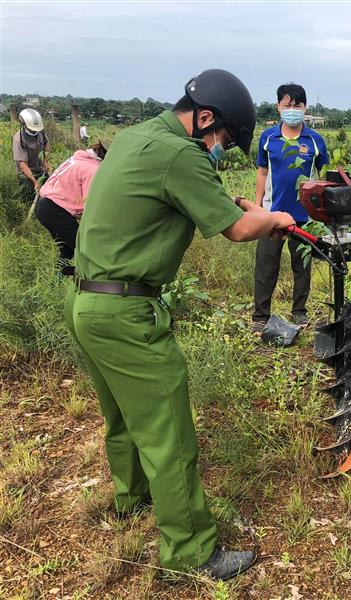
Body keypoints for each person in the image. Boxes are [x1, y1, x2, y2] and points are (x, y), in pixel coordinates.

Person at [65, 69, 295, 580]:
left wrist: (236, 202)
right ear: (206, 119)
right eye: (223, 140)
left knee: (124, 414)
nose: (220, 148)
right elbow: (237, 229)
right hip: (127, 313)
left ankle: (133, 498)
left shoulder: (136, 136)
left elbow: (190, 197)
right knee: (168, 431)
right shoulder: (183, 154)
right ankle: (191, 551)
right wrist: (275, 219)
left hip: (86, 302)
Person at [252, 83, 328, 331]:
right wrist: (257, 207)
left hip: (304, 216)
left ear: (305, 108)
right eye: (288, 105)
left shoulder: (315, 141)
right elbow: (262, 173)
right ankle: (261, 316)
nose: (292, 109)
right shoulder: (268, 138)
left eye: (297, 105)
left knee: (302, 266)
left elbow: (324, 175)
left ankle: (299, 312)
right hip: (272, 214)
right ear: (278, 107)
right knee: (266, 265)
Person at [34, 142, 107, 276]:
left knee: (67, 250)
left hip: (44, 206)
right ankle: (91, 283)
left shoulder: (77, 159)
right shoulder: (93, 169)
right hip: (56, 211)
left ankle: (57, 280)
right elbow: (89, 205)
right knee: (85, 250)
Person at [13, 108, 50, 203]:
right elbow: (23, 165)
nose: (34, 132)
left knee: (48, 189)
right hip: (25, 172)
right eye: (32, 130)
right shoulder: (19, 139)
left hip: (38, 166)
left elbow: (46, 144)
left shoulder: (40, 131)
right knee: (28, 196)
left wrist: (45, 161)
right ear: (23, 124)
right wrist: (35, 181)